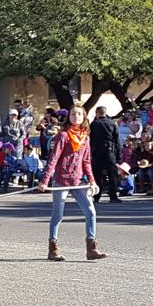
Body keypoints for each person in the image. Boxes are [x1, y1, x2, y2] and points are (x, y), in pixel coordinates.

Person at [38, 105, 106, 261]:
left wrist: (92, 181)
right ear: (69, 117)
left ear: (84, 117)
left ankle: (91, 248)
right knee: (58, 215)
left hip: (78, 180)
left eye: (79, 114)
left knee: (91, 212)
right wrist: (45, 180)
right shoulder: (63, 135)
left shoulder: (85, 137)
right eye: (74, 114)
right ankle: (53, 249)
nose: (76, 117)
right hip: (61, 180)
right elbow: (53, 159)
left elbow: (86, 161)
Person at [87, 106, 122, 203]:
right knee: (112, 174)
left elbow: (90, 139)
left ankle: (96, 196)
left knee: (97, 173)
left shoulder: (94, 124)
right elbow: (117, 139)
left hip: (97, 150)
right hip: (110, 150)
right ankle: (113, 196)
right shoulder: (112, 123)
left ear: (97, 113)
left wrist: (90, 152)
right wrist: (119, 154)